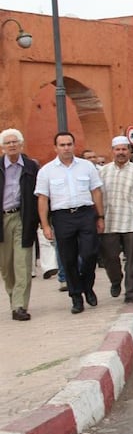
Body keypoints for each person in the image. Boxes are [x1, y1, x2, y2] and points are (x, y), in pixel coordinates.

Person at [35, 131, 104, 314]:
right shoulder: (46, 171)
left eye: (69, 144)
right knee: (68, 258)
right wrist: (46, 225)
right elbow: (42, 199)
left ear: (74, 146)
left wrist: (100, 216)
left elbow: (96, 192)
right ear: (55, 147)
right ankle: (76, 296)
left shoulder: (87, 166)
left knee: (90, 254)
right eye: (62, 145)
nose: (66, 148)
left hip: (85, 214)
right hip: (62, 217)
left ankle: (87, 286)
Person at [98, 135, 133, 304]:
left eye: (124, 149)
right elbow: (96, 197)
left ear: (129, 152)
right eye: (118, 149)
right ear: (112, 151)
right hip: (109, 223)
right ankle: (116, 280)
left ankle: (131, 293)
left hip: (131, 222)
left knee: (132, 260)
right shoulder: (103, 172)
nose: (121, 152)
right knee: (110, 258)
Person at [1, 128, 40, 321]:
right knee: (7, 267)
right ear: (2, 147)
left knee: (22, 263)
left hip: (23, 218)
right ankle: (13, 298)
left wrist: (43, 221)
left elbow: (40, 195)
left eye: (15, 142)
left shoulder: (31, 167)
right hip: (2, 220)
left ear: (21, 144)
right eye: (8, 143)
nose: (11, 145)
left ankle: (19, 306)